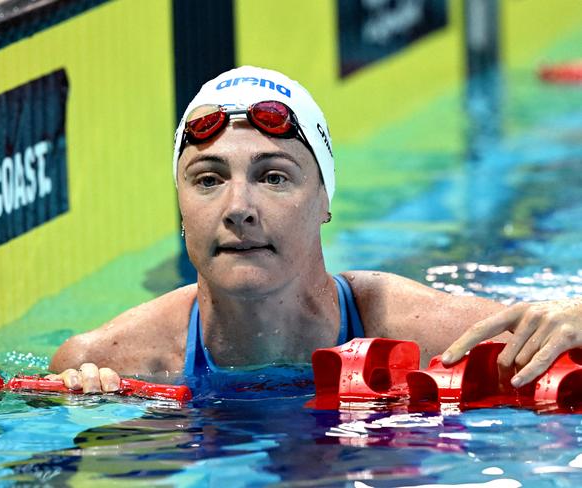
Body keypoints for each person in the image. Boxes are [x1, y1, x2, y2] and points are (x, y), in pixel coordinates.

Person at [48, 66, 582, 394]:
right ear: (181, 206)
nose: (239, 207)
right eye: (208, 180)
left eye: (273, 176)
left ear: (324, 198)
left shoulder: (420, 331)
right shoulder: (110, 363)